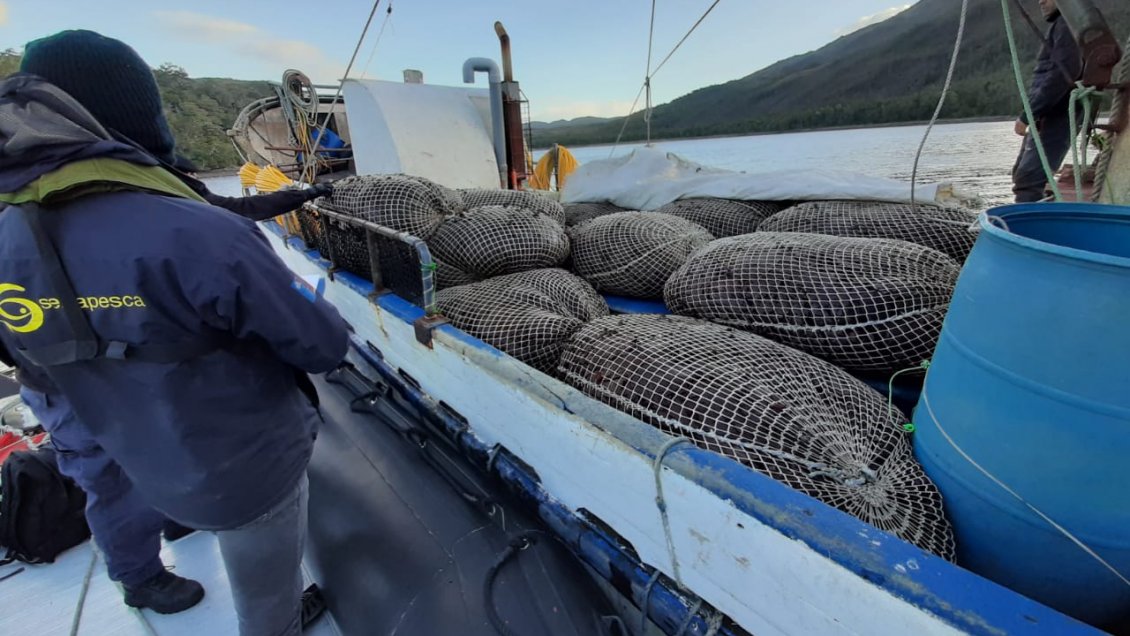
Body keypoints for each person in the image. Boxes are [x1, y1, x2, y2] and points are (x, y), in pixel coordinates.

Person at [1, 30, 351, 636]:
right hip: (224, 460)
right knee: (261, 560)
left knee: (106, 481)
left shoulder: (10, 220)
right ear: (137, 115)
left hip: (79, 411)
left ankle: (142, 571)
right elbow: (322, 342)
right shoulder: (194, 232)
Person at [1011, 0, 1084, 202]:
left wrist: (1029, 114)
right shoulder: (1062, 25)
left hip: (1059, 111)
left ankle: (1029, 230)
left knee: (1028, 179)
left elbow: (1063, 73)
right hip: (1048, 112)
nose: (1041, 1)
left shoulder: (1067, 24)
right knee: (1022, 173)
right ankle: (1043, 211)